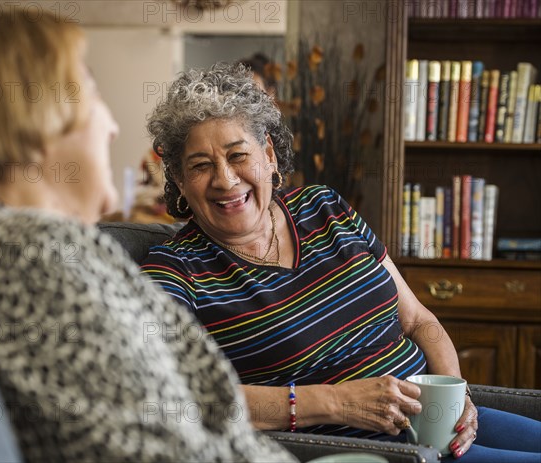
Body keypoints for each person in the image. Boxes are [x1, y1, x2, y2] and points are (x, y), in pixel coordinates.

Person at [141, 63, 541, 462]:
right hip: (361, 449)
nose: (226, 179)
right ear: (177, 177)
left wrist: (457, 396)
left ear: (268, 157)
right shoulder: (174, 271)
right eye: (200, 165)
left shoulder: (324, 206)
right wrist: (331, 402)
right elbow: (176, 401)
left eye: (238, 155)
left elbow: (417, 319)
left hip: (439, 422)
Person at [0, 12, 295, 462]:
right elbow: (163, 452)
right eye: (92, 93)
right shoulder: (29, 257)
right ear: (34, 123)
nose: (110, 126)